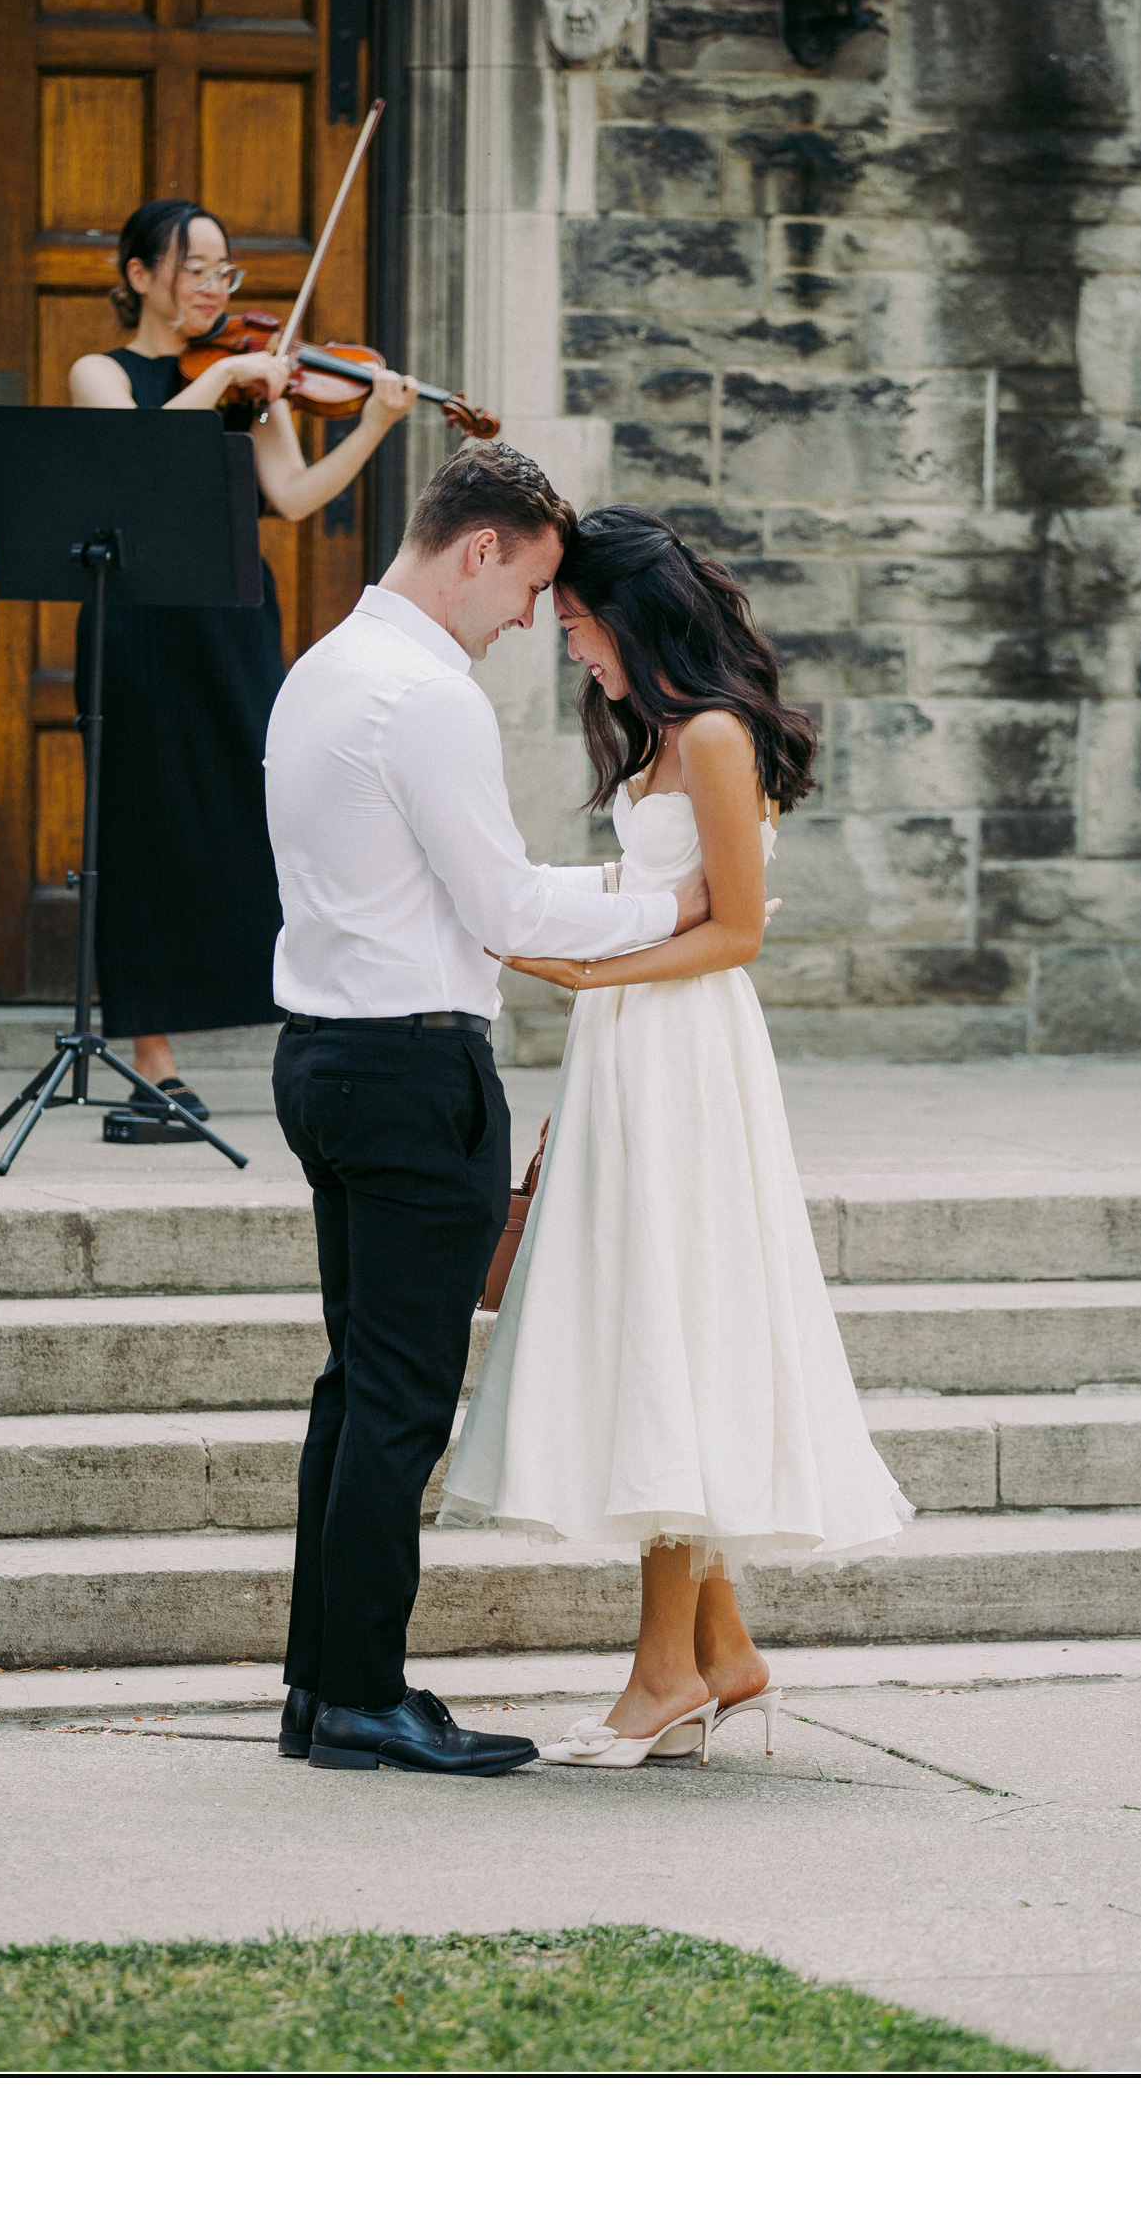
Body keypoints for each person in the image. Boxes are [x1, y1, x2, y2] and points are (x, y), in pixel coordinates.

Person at [440, 506, 917, 1770]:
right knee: (655, 1320)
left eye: (578, 623)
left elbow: (738, 932)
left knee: (670, 1329)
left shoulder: (711, 735)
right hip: (632, 1047)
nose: (568, 645)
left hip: (683, 1049)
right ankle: (723, 1653)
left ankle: (663, 1675)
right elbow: (650, 897)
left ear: (631, 617)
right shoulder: (663, 736)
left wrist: (588, 977)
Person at [264, 443, 715, 1776]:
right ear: (479, 550)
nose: (530, 619)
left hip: (323, 1058)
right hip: (412, 1074)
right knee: (400, 1402)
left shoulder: (324, 669)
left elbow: (459, 881)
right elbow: (505, 908)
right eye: (526, 587)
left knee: (355, 1388)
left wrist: (612, 891)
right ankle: (362, 1695)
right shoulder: (427, 695)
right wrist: (668, 906)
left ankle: (320, 1688)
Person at [65, 199, 417, 1121]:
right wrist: (227, 374)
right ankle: (152, 1054)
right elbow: (136, 458)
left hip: (231, 617)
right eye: (195, 268)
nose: (214, 287)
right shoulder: (102, 373)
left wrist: (374, 426)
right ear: (140, 274)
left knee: (272, 810)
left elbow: (292, 496)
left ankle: (304, 1018)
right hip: (136, 622)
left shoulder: (251, 381)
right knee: (140, 824)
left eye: (224, 270)